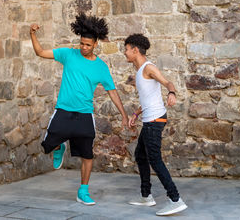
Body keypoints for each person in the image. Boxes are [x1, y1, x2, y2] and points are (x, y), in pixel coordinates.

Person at [30, 13, 129, 206]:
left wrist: (124, 115)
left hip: (85, 114)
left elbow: (113, 92)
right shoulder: (68, 54)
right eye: (81, 43)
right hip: (63, 111)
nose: (83, 47)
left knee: (87, 154)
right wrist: (32, 34)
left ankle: (83, 191)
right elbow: (40, 52)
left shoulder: (101, 67)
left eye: (87, 45)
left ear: (95, 45)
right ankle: (59, 146)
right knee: (47, 145)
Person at [124, 34, 187, 216]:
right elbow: (148, 98)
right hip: (150, 118)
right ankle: (146, 196)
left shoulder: (148, 67)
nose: (125, 53)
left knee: (155, 159)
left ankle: (175, 199)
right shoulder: (140, 71)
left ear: (135, 50)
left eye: (127, 49)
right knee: (141, 155)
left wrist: (172, 92)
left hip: (154, 120)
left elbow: (167, 82)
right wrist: (135, 114)